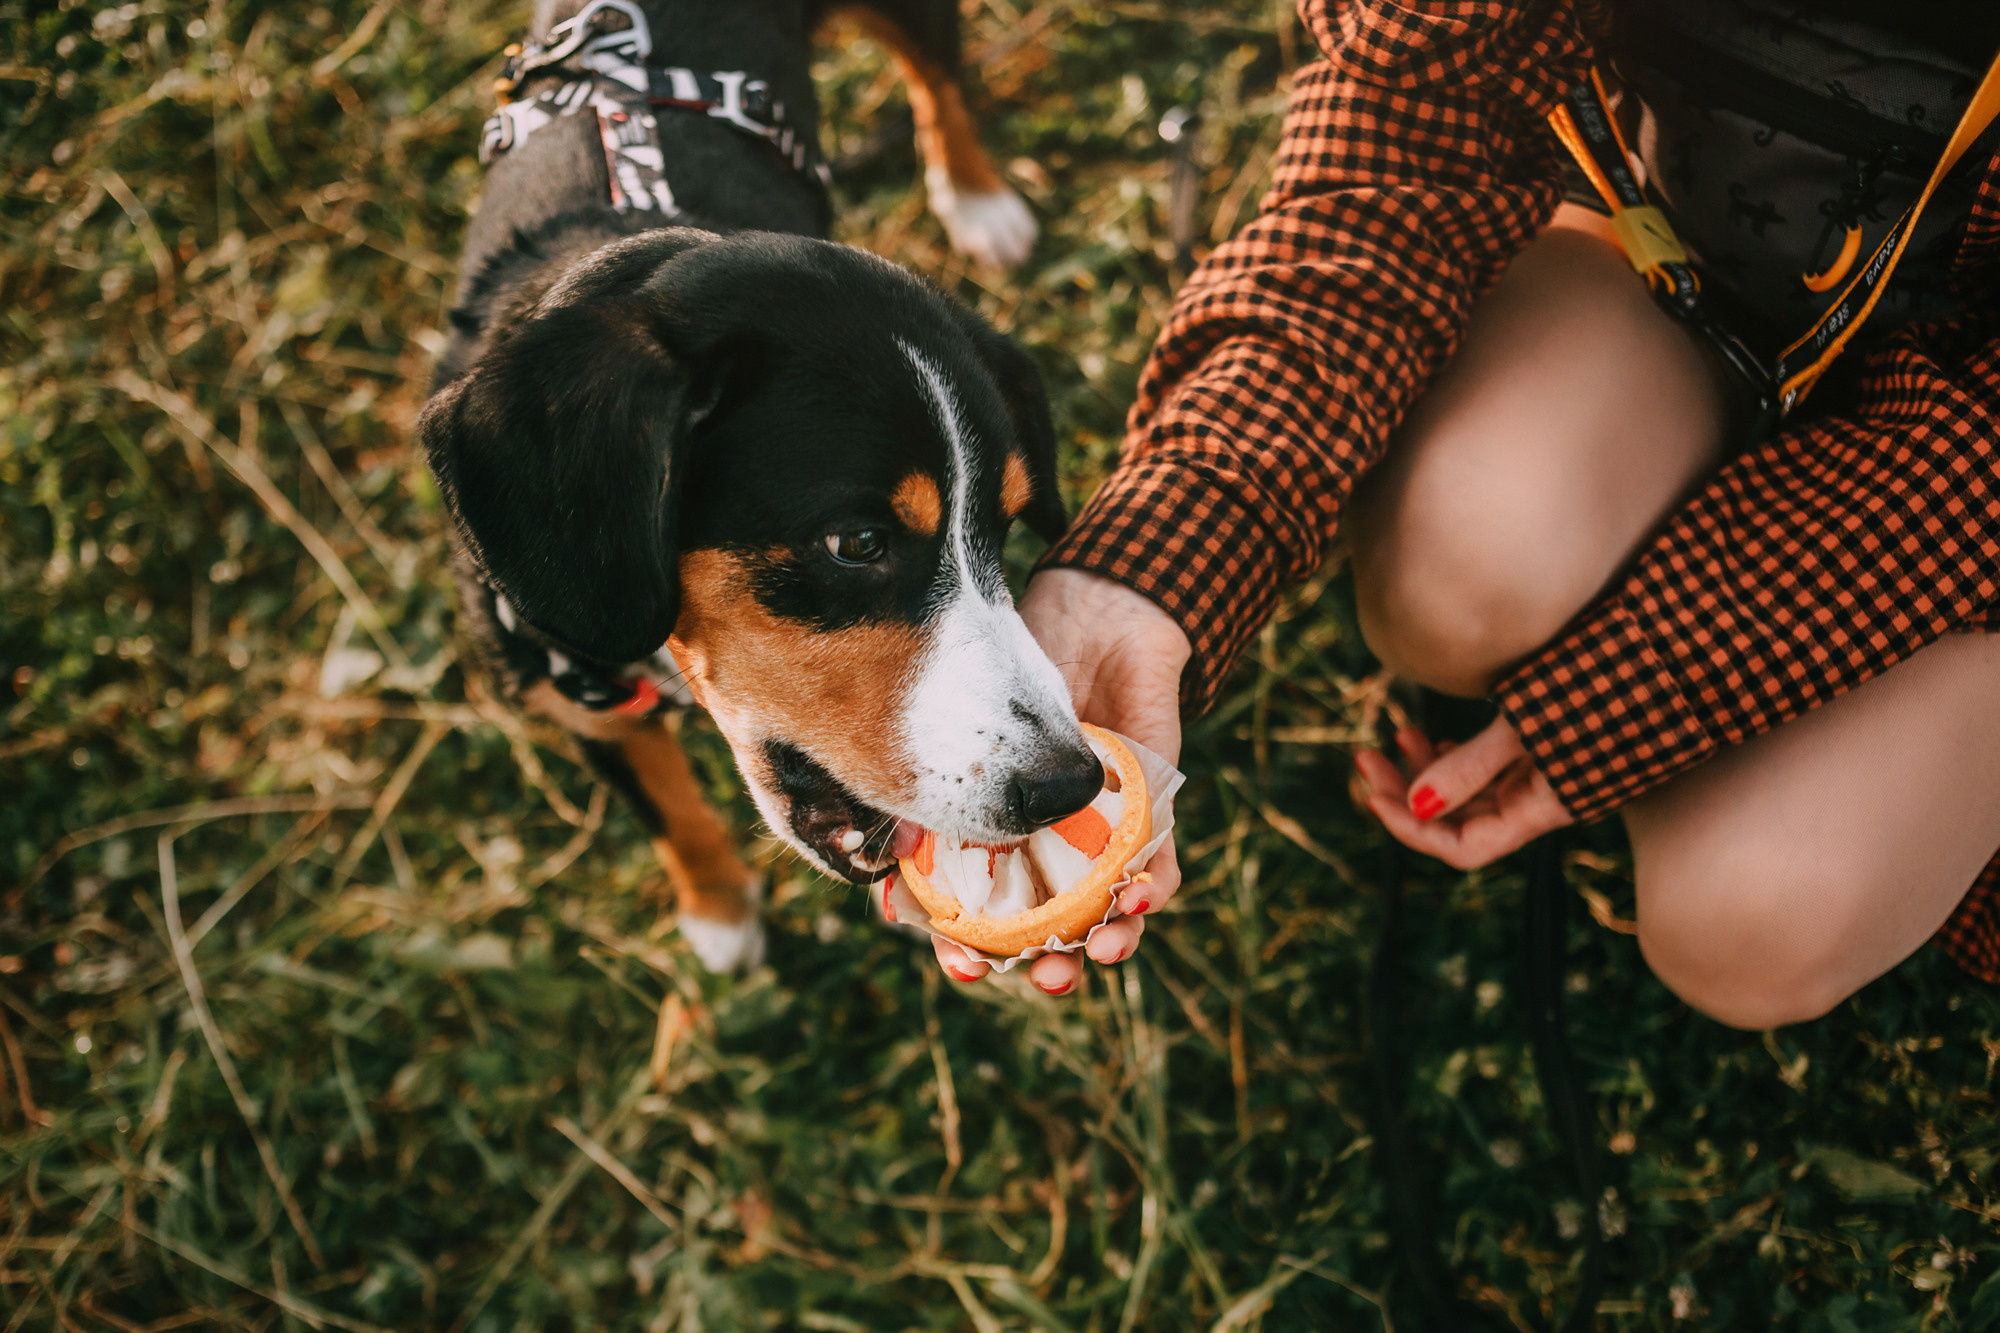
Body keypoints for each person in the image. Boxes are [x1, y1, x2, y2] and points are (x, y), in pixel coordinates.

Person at [932, 0, 2000, 1024]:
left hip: (1972, 452)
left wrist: (1643, 688)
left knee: (1755, 915)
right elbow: (1399, 140)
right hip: (1680, 253)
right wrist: (1147, 570)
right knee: (1446, 575)